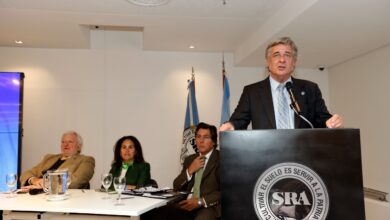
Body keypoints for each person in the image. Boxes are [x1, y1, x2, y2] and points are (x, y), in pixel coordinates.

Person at [220, 37, 343, 131]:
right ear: (268, 62)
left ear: (294, 62)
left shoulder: (310, 89)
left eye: (287, 55)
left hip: (302, 156)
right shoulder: (252, 92)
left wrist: (330, 121)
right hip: (267, 157)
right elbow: (238, 120)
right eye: (276, 55)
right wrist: (231, 125)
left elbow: (322, 119)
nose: (282, 60)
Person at [142, 122, 220, 220]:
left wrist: (200, 201)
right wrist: (190, 170)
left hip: (207, 207)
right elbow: (176, 185)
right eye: (198, 137)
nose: (201, 141)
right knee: (153, 214)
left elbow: (226, 191)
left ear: (213, 141)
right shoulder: (190, 159)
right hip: (186, 204)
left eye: (206, 137)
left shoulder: (221, 160)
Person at [20, 131, 95, 190]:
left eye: (70, 142)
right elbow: (27, 173)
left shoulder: (86, 160)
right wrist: (34, 180)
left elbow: (76, 181)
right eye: (63, 142)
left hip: (61, 198)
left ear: (79, 146)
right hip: (34, 194)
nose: (65, 144)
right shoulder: (49, 157)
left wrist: (46, 184)